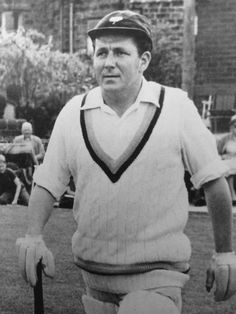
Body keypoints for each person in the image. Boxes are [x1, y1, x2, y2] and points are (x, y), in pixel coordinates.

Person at [16, 10, 236, 314]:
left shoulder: (176, 107)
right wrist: (34, 236)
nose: (109, 62)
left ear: (143, 60)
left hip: (159, 275)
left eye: (120, 52)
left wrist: (225, 253)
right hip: (94, 277)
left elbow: (214, 182)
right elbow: (47, 183)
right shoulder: (73, 112)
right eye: (101, 52)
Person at [217, 115, 236, 203]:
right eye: (235, 126)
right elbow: (217, 153)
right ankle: (232, 196)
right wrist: (222, 156)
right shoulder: (225, 139)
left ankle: (232, 195)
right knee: (228, 167)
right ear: (231, 127)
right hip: (228, 162)